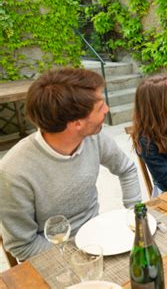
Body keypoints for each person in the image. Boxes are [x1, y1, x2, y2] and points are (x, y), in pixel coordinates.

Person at [0, 68, 141, 261]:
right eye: (100, 107)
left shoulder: (94, 138)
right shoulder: (14, 171)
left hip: (99, 240)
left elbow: (126, 168)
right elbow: (23, 246)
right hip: (51, 258)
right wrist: (80, 257)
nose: (107, 109)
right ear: (76, 123)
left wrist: (134, 215)